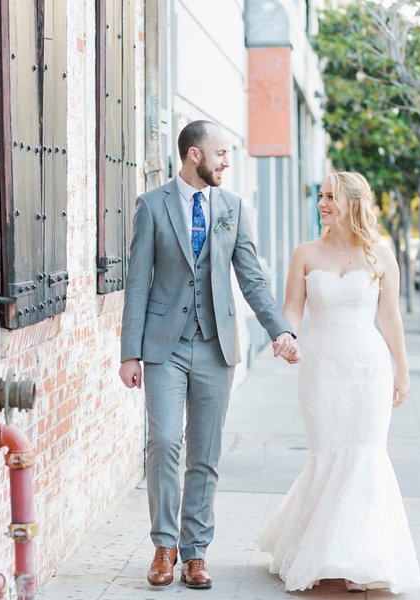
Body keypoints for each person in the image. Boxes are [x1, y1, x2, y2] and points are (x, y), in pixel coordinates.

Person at [119, 120, 300, 590]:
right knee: (163, 441)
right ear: (194, 155)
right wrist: (129, 353)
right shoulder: (152, 206)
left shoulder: (232, 208)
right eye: (220, 153)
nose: (226, 162)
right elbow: (137, 282)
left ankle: (195, 553)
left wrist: (279, 329)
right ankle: (164, 546)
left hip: (216, 344)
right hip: (164, 346)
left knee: (205, 453)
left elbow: (252, 278)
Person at [257, 171, 420, 593]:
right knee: (329, 454)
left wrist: (402, 368)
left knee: (366, 455)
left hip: (369, 369)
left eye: (330, 196)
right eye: (320, 196)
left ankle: (360, 560)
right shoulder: (305, 253)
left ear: (352, 202)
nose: (322, 203)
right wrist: (286, 337)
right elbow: (292, 309)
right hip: (322, 370)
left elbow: (390, 317)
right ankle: (320, 549)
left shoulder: (381, 256)